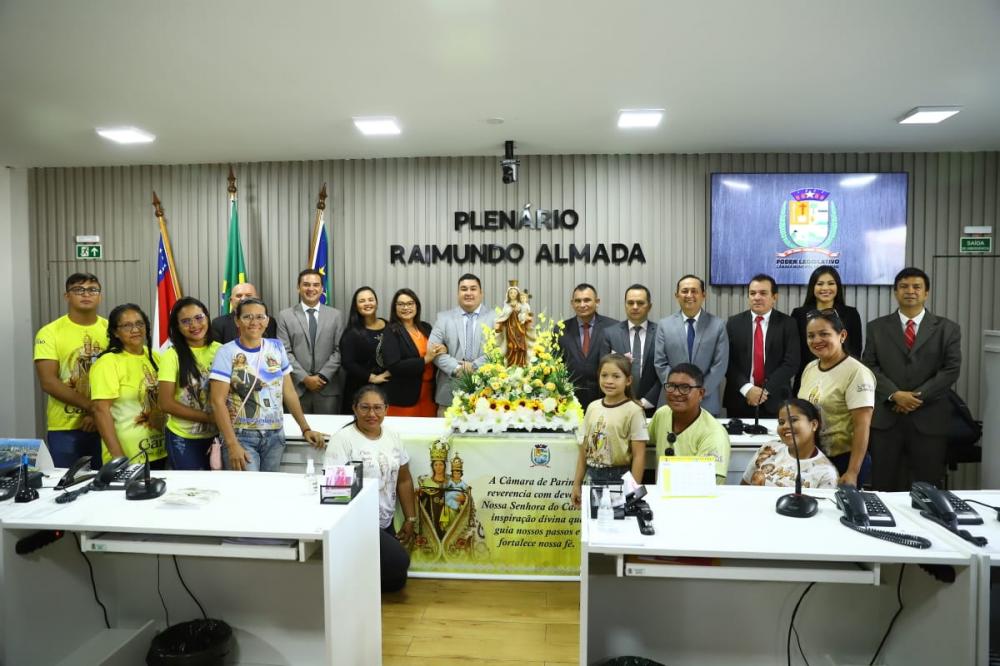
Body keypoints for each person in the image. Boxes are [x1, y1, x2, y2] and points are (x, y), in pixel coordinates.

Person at [862, 267, 962, 491]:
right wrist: (895, 395)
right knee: (884, 484)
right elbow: (868, 366)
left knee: (927, 487)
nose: (910, 291)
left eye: (917, 287)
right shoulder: (876, 328)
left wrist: (914, 398)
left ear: (926, 293)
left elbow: (951, 369)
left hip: (929, 419)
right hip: (887, 419)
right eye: (904, 287)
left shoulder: (948, 329)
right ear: (895, 292)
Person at [209, 298, 325, 471]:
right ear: (237, 320)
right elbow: (217, 401)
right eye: (247, 317)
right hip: (242, 436)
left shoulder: (277, 348)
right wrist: (232, 444)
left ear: (267, 320)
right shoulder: (226, 352)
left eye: (260, 317)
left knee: (269, 493)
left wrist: (305, 428)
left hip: (275, 436)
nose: (254, 322)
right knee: (248, 494)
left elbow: (289, 392)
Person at [323, 384, 414, 593]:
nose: (371, 414)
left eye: (377, 408)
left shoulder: (392, 436)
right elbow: (335, 495)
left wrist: (411, 519)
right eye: (364, 408)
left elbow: (404, 479)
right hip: (358, 524)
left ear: (386, 409)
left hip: (385, 522)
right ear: (354, 408)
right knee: (399, 561)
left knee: (397, 581)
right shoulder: (342, 440)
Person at [33, 273, 108, 468]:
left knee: (107, 485)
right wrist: (92, 407)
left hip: (107, 423)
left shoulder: (111, 330)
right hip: (65, 427)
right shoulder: (49, 332)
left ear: (100, 296)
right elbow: (48, 382)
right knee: (66, 486)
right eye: (78, 290)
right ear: (67, 296)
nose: (86, 294)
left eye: (92, 289)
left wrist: (97, 413)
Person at [798, 309, 875, 487]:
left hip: (844, 460)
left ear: (842, 335)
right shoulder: (810, 368)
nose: (816, 340)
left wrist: (852, 472)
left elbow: (861, 427)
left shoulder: (857, 372)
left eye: (824, 334)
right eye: (811, 336)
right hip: (814, 457)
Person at [89, 304, 167, 466]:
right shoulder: (108, 362)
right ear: (115, 332)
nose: (135, 329)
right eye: (127, 325)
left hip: (162, 450)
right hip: (129, 456)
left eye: (139, 323)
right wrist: (118, 457)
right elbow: (100, 410)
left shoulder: (155, 357)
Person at [571, 354, 648, 506]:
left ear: (628, 380)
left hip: (619, 479)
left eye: (616, 376)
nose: (609, 381)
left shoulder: (634, 410)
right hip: (591, 477)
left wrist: (633, 494)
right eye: (604, 375)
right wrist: (577, 484)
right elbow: (583, 451)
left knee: (617, 523)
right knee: (593, 523)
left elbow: (639, 456)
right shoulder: (593, 407)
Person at [157, 297, 221, 470]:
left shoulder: (221, 350)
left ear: (207, 317)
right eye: (186, 321)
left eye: (199, 318)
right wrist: (209, 418)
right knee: (191, 491)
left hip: (218, 435)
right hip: (184, 438)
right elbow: (165, 403)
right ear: (177, 327)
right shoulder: (172, 356)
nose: (194, 325)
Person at [723, 274, 800, 418]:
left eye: (763, 293)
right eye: (752, 293)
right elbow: (727, 362)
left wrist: (763, 391)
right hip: (740, 398)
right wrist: (748, 389)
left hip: (775, 400)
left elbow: (791, 363)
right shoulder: (734, 323)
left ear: (774, 297)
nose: (757, 297)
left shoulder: (788, 323)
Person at [653, 275, 729, 416]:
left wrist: (699, 391)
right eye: (684, 291)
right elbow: (660, 363)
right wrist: (676, 390)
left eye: (694, 291)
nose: (689, 295)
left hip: (706, 400)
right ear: (676, 295)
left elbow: (720, 365)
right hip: (671, 401)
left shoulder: (718, 325)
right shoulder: (664, 325)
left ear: (703, 295)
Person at [648, 363, 731, 485]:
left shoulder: (714, 434)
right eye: (671, 386)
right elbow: (642, 441)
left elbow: (708, 485)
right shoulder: (662, 414)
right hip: (662, 496)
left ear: (701, 393)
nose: (676, 393)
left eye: (685, 387)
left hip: (695, 500)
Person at [276, 269, 345, 414]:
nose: (311, 289)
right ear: (298, 288)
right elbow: (284, 352)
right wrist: (305, 378)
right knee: (296, 433)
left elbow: (340, 350)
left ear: (322, 289)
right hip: (296, 388)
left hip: (327, 389)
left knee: (327, 433)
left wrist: (322, 376)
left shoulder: (336, 315)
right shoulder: (285, 316)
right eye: (306, 284)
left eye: (316, 285)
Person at [429, 274, 496, 416]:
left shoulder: (496, 318)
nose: (468, 293)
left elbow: (501, 350)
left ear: (481, 293)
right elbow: (432, 349)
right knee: (446, 438)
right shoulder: (444, 318)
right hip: (449, 394)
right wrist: (457, 367)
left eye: (473, 289)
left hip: (487, 394)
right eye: (464, 289)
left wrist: (475, 366)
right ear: (458, 293)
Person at [791, 266, 863, 391]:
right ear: (812, 287)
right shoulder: (799, 314)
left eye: (831, 283)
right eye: (820, 284)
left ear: (837, 287)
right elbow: (795, 352)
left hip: (842, 380)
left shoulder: (851, 314)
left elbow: (855, 351)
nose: (825, 288)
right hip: (807, 378)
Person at [741, 398, 838, 488]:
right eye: (781, 422)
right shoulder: (769, 448)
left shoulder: (826, 473)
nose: (785, 426)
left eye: (793, 420)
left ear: (813, 425)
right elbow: (744, 487)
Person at [380, 288, 443, 417]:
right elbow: (394, 365)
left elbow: (436, 348)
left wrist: (443, 348)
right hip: (404, 396)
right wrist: (425, 360)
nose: (406, 307)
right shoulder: (390, 331)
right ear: (395, 307)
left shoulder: (426, 327)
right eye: (401, 304)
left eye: (410, 303)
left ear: (416, 306)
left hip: (429, 394)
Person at [604, 284, 662, 417]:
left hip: (653, 408)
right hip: (617, 406)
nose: (635, 307)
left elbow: (665, 372)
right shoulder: (610, 334)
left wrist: (646, 402)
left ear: (649, 306)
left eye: (640, 303)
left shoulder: (661, 333)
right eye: (630, 303)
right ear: (625, 305)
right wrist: (622, 400)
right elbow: (604, 372)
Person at [559, 283, 618, 409]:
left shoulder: (613, 327)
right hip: (570, 401)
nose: (582, 305)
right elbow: (557, 365)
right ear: (572, 303)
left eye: (587, 300)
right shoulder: (560, 329)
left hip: (605, 398)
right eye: (578, 301)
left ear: (597, 302)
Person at [339, 286, 389, 415]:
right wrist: (372, 378)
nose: (367, 303)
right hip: (360, 389)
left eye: (370, 299)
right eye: (362, 301)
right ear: (356, 306)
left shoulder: (388, 325)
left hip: (387, 388)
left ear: (376, 303)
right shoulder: (352, 332)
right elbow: (347, 363)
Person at [210, 282, 277, 343]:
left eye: (248, 295)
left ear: (257, 299)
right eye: (239, 296)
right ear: (231, 300)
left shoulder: (270, 322)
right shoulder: (218, 324)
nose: (243, 299)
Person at [494, 281, 534, 367]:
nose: (512, 294)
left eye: (514, 292)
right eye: (511, 292)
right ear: (508, 294)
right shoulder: (506, 305)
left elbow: (526, 313)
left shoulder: (521, 304)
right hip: (510, 329)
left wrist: (523, 314)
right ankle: (511, 365)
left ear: (518, 294)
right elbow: (503, 316)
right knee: (511, 346)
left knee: (521, 347)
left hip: (520, 329)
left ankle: (521, 364)